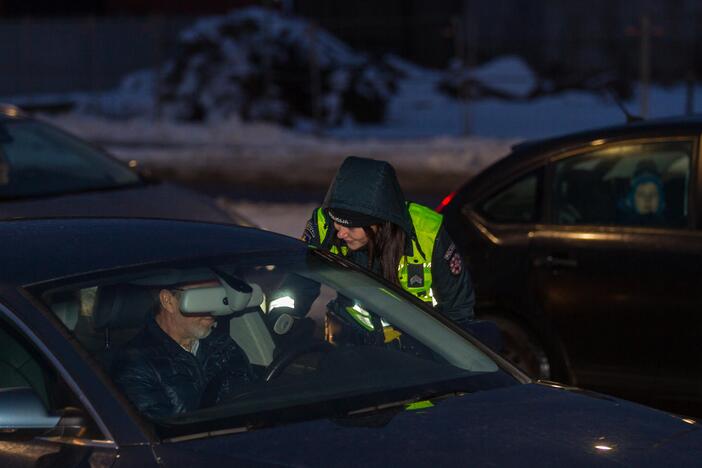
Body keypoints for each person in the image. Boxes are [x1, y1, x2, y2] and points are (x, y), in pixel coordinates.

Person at [270, 156, 475, 343]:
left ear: (380, 224)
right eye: (337, 223)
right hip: (350, 340)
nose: (340, 233)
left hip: (418, 348)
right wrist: (283, 317)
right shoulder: (325, 226)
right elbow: (299, 280)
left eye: (350, 226)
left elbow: (458, 310)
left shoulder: (427, 234)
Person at [111, 280, 255, 420]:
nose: (212, 309)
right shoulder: (135, 363)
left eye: (217, 299)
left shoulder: (222, 344)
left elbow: (250, 398)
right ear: (168, 301)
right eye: (202, 298)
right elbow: (162, 434)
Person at [618, 162, 666, 226]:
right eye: (641, 194)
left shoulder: (671, 227)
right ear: (631, 200)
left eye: (653, 194)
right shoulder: (622, 226)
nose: (648, 199)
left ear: (660, 200)